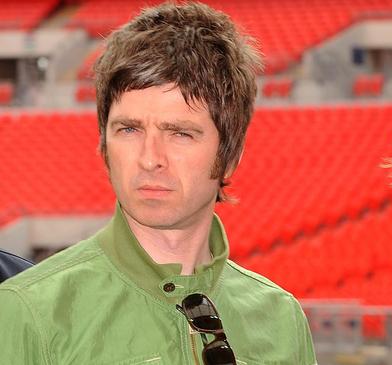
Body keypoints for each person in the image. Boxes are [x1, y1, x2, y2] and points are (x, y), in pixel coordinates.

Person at [0, 3, 316, 364]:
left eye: (180, 133)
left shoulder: (280, 317)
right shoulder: (29, 310)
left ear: (230, 154)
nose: (150, 158)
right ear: (104, 144)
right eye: (129, 129)